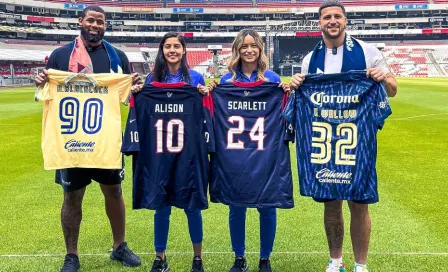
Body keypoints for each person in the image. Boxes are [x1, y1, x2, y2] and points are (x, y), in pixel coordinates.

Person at [289, 1, 397, 272]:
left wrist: (383, 77)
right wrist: (296, 85)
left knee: (359, 204)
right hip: (324, 142)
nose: (332, 21)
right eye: (327, 17)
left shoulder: (366, 50)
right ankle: (335, 259)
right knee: (331, 203)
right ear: (319, 23)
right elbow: (301, 95)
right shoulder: (309, 59)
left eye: (337, 16)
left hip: (357, 141)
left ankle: (361, 265)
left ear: (346, 21)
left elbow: (393, 89)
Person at [34, 6, 142, 272]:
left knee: (114, 192)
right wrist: (40, 81)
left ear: (106, 26)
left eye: (100, 21)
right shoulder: (60, 56)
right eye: (90, 20)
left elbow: (127, 96)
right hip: (71, 140)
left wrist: (135, 87)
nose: (95, 25)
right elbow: (45, 91)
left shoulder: (117, 56)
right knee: (72, 196)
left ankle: (119, 246)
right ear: (80, 21)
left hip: (106, 141)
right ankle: (72, 255)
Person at [219, 29, 290, 272]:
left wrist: (287, 93)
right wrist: (207, 93)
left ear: (260, 49)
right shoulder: (225, 82)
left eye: (254, 46)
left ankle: (264, 258)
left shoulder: (272, 80)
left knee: (267, 206)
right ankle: (239, 257)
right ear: (237, 50)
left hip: (266, 155)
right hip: (235, 155)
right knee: (236, 205)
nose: (249, 50)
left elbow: (286, 113)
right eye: (244, 46)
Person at [142, 32, 209, 272]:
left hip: (188, 151)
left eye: (176, 46)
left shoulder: (196, 78)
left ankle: (197, 257)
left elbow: (205, 113)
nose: (172, 50)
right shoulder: (151, 79)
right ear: (162, 50)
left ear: (184, 50)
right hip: (161, 150)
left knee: (192, 205)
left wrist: (205, 95)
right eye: (168, 46)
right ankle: (160, 257)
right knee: (161, 205)